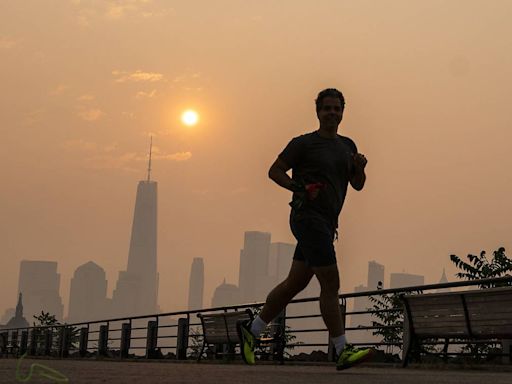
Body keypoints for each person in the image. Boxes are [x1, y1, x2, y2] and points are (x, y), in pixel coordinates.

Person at [237, 88, 372, 370]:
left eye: (337, 108)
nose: (332, 113)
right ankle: (342, 349)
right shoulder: (303, 144)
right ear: (318, 112)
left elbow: (357, 184)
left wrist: (359, 168)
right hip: (307, 218)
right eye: (327, 108)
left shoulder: (348, 145)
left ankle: (252, 330)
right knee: (330, 284)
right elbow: (274, 171)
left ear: (343, 112)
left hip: (326, 223)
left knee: (294, 284)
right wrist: (299, 187)